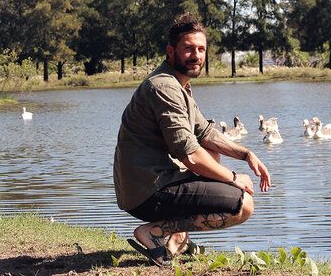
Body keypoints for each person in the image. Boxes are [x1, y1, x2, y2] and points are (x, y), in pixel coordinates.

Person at [113, 14, 271, 267]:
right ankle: (152, 232)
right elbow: (190, 156)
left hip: (154, 183)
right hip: (147, 191)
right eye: (188, 48)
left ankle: (176, 240)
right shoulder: (163, 87)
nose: (196, 55)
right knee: (244, 205)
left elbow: (206, 133)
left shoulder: (179, 85)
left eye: (201, 49)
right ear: (171, 51)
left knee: (213, 155)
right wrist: (233, 177)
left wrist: (247, 154)